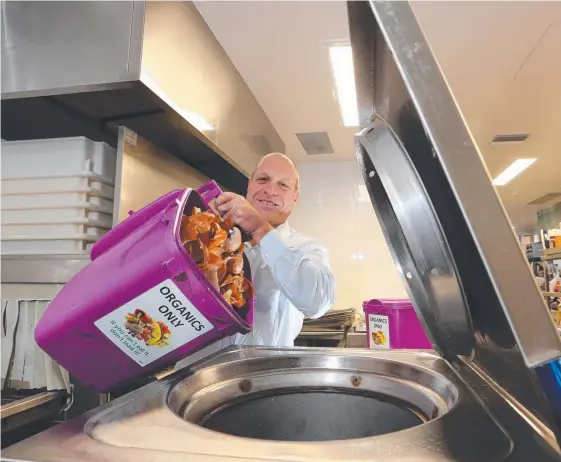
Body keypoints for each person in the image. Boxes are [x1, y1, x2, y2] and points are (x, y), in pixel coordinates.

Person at [176, 153, 335, 369]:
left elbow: (317, 302)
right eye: (263, 179)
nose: (270, 190)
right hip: (195, 380)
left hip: (263, 385)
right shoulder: (210, 231)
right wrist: (201, 233)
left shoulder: (306, 248)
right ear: (249, 185)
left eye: (283, 185)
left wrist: (261, 230)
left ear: (295, 196)